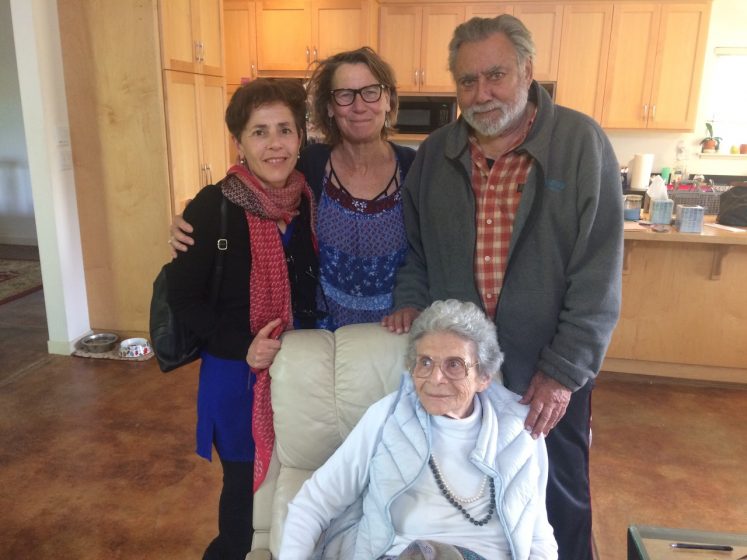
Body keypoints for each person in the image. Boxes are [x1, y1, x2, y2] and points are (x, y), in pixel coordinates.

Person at [381, 15, 623, 560]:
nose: (482, 94)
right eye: (468, 81)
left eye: (496, 75)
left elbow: (598, 273)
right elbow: (416, 251)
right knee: (470, 494)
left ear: (527, 71)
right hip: (463, 369)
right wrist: (411, 302)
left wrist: (563, 372)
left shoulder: (580, 145)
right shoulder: (437, 156)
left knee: (555, 496)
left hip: (546, 367)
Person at [164, 78, 318, 560]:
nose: (274, 143)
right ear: (240, 142)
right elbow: (182, 295)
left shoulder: (307, 199)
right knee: (243, 488)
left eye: (284, 130)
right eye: (259, 132)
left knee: (294, 477)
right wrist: (243, 344)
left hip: (296, 370)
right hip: (235, 374)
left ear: (300, 139)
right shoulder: (214, 205)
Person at [280, 299, 558, 559]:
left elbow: (538, 535)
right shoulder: (387, 416)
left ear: (484, 377)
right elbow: (313, 503)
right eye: (425, 362)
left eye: (454, 365)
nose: (436, 379)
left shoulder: (521, 429)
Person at [169, 47, 416, 330]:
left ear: (389, 99)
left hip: (394, 333)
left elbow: (429, 252)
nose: (359, 106)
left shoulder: (415, 170)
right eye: (344, 95)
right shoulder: (309, 166)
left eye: (371, 91)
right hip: (320, 336)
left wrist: (413, 303)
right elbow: (253, 190)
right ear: (329, 108)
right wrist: (194, 221)